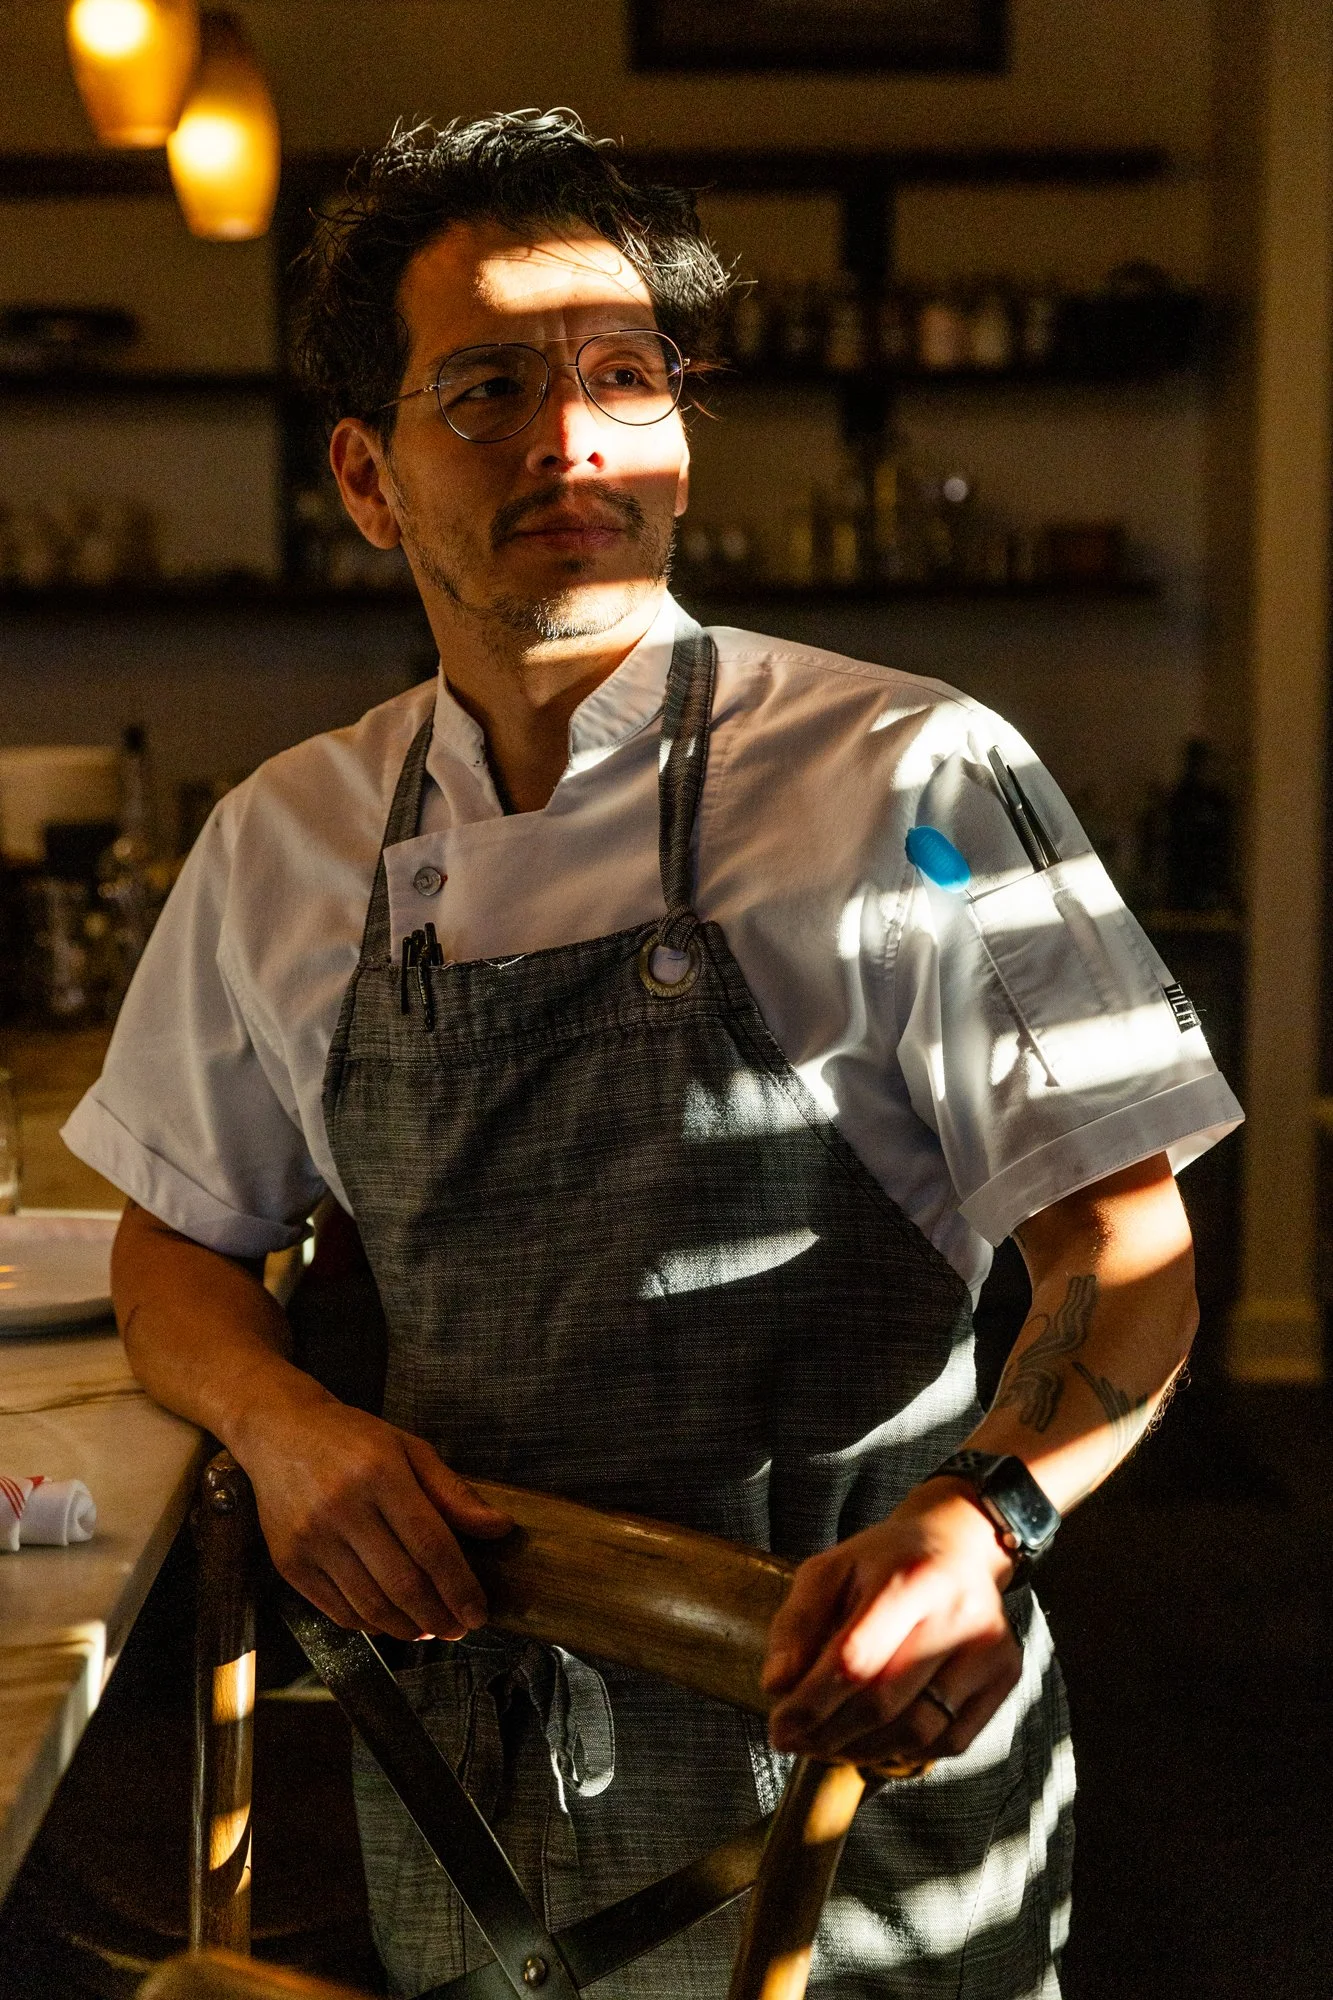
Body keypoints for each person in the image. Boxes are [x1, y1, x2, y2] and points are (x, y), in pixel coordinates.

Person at [68, 111, 1242, 1999]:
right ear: (366, 479)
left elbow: (1128, 1244)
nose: (573, 443)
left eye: (626, 377)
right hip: (468, 1763)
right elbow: (170, 1247)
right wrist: (286, 1431)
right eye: (491, 390)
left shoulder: (914, 782)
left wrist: (986, 1514)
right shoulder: (286, 844)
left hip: (853, 1733)